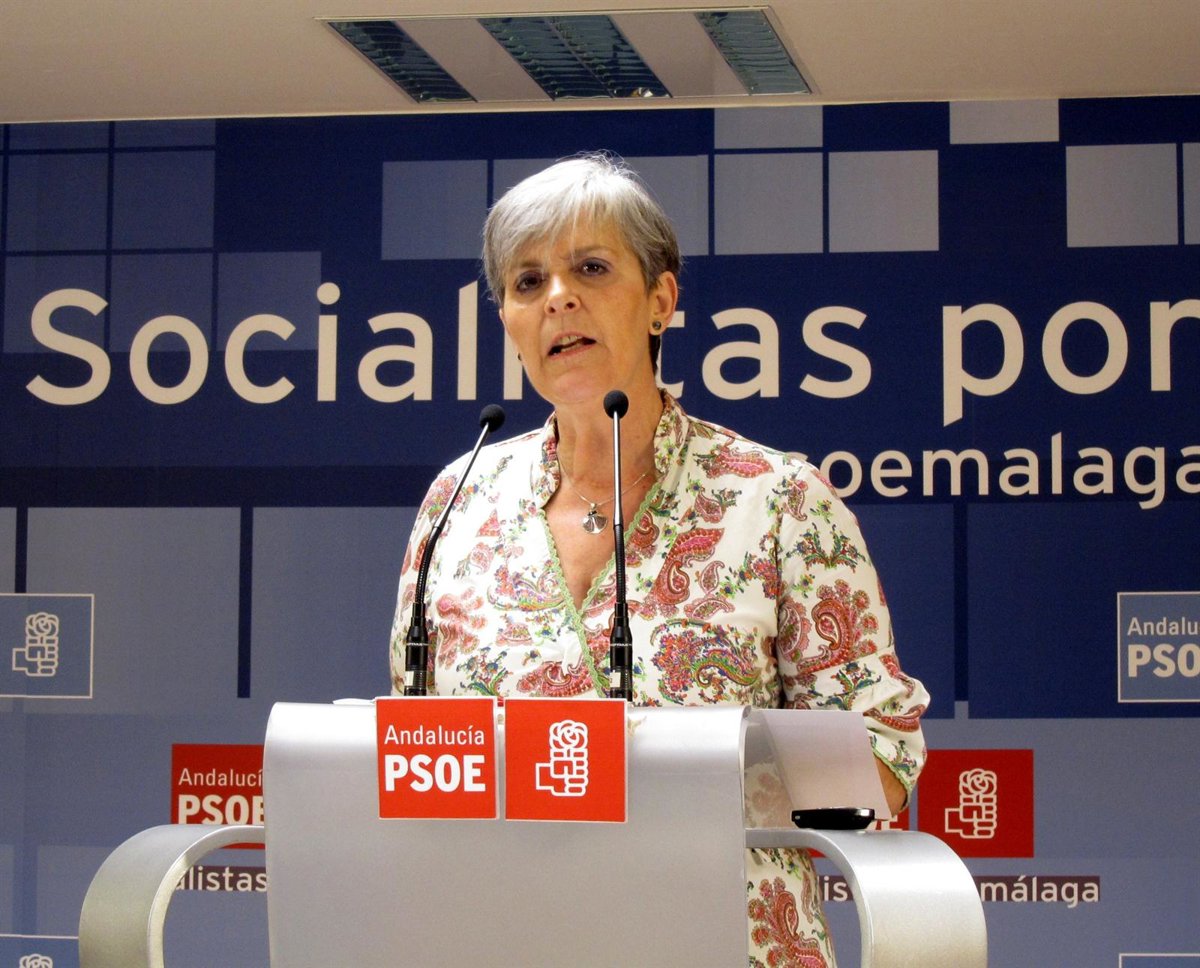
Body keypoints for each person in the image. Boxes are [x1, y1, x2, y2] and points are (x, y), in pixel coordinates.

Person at [390, 152, 929, 967]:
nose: (557, 297)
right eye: (528, 282)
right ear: (507, 319)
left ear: (660, 301)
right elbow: (418, 746)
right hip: (505, 939)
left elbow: (883, 756)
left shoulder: (778, 500)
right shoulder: (457, 502)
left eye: (591, 268)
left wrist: (680, 778)